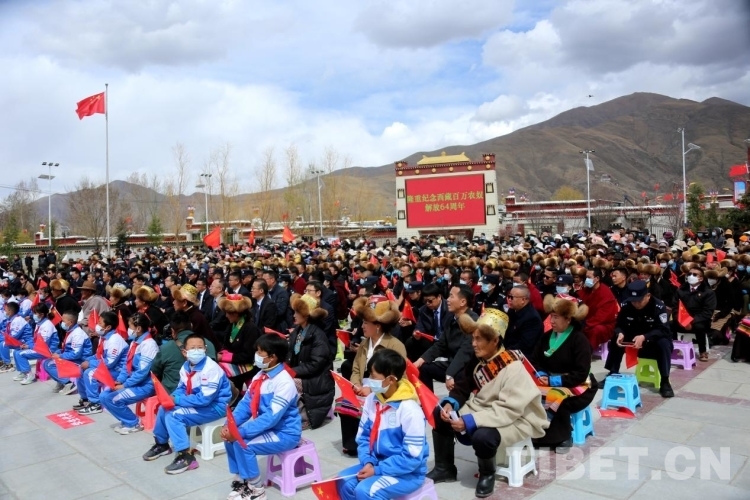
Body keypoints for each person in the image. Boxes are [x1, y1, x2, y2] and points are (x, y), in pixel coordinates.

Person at [429, 309, 548, 497]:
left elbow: (508, 410)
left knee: (483, 436)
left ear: (494, 340)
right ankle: (445, 468)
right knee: (439, 412)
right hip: (486, 410)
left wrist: (469, 421)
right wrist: (451, 404)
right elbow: (462, 387)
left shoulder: (513, 367)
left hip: (516, 418)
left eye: (479, 339)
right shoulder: (477, 360)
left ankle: (487, 475)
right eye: (473, 338)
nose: (473, 344)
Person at [336, 349, 428, 500]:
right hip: (376, 463)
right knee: (343, 482)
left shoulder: (410, 410)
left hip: (407, 473)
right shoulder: (372, 399)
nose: (369, 380)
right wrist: (368, 462)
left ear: (391, 380)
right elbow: (363, 438)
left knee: (366, 491)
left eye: (373, 376)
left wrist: (377, 470)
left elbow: (412, 458)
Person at [223, 334, 302, 500]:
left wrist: (239, 432)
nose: (256, 355)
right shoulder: (260, 375)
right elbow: (245, 404)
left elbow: (271, 418)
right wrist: (230, 425)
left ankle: (257, 489)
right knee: (230, 439)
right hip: (268, 428)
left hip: (284, 433)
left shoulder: (284, 382)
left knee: (244, 444)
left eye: (260, 352)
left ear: (273, 357)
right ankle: (242, 479)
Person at [142, 333, 232, 474]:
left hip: (215, 407)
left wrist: (178, 400)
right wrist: (172, 397)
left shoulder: (211, 369)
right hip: (199, 403)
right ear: (185, 352)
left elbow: (205, 399)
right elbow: (182, 388)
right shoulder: (186, 366)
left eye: (200, 347)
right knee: (164, 408)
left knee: (174, 415)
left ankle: (186, 456)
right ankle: (162, 444)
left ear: (205, 349)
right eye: (193, 348)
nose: (197, 350)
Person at [339, 295, 406, 457]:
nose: (362, 326)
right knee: (345, 402)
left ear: (377, 326)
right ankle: (352, 443)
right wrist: (356, 385)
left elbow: (398, 378)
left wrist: (371, 390)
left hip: (385, 391)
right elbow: (356, 369)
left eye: (365, 323)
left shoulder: (395, 345)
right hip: (364, 387)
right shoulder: (364, 343)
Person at [530, 297, 598, 452]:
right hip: (549, 379)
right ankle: (537, 432)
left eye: (556, 317)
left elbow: (581, 373)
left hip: (579, 383)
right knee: (530, 393)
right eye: (551, 316)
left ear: (568, 319)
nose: (552, 321)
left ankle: (564, 436)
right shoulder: (547, 337)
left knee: (558, 397)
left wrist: (553, 381)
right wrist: (541, 374)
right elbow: (535, 360)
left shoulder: (579, 340)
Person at [606, 280, 674, 397]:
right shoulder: (626, 305)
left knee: (664, 343)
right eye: (633, 301)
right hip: (632, 340)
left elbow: (663, 330)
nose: (636, 304)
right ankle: (613, 373)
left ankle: (665, 381)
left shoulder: (658, 307)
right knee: (615, 339)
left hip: (651, 342)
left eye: (639, 300)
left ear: (648, 296)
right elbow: (619, 324)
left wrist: (644, 337)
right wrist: (620, 333)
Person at [100, 313, 160, 433]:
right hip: (133, 383)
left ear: (138, 328)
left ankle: (134, 423)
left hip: (145, 386)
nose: (128, 329)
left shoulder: (149, 345)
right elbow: (126, 365)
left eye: (130, 326)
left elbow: (142, 373)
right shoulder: (134, 342)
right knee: (103, 396)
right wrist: (120, 380)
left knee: (113, 399)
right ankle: (126, 420)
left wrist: (125, 385)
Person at [414, 284, 478, 392]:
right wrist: (420, 360)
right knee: (424, 368)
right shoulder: (451, 318)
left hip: (467, 367)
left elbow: (465, 352)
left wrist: (450, 374)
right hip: (451, 363)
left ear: (462, 302)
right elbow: (441, 344)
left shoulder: (473, 321)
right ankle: (429, 401)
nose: (447, 300)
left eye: (451, 296)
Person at [286, 293, 334, 429]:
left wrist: (291, 372)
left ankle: (304, 417)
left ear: (306, 315)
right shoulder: (298, 331)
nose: (294, 315)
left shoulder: (318, 335)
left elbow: (315, 365)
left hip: (317, 379)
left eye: (297, 312)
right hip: (304, 375)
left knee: (287, 383)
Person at [75, 311, 129, 415]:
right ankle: (85, 399)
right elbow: (98, 355)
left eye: (100, 323)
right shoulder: (104, 337)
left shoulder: (115, 340)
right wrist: (87, 360)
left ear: (108, 327)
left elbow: (109, 363)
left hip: (117, 371)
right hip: (108, 368)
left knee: (90, 373)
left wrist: (90, 364)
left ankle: (95, 404)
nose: (97, 325)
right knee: (81, 368)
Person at [151, 312, 218, 394]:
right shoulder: (208, 344)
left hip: (171, 396)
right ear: (191, 326)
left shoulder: (165, 348)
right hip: (203, 395)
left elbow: (155, 372)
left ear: (172, 331)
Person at [216, 294, 261, 395]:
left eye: (228, 313)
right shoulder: (232, 325)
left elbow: (248, 356)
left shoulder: (251, 328)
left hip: (248, 365)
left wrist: (224, 358)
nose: (226, 316)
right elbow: (226, 345)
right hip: (235, 362)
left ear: (235, 314)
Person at [43, 311, 94, 394]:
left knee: (49, 364)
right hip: (74, 358)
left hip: (81, 361)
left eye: (63, 320)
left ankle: (69, 383)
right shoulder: (71, 331)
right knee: (46, 362)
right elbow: (67, 349)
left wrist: (60, 356)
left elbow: (76, 354)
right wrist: (58, 352)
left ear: (70, 322)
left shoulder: (77, 334)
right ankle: (61, 382)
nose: (61, 322)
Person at [672, 267, 716, 361]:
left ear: (701, 278)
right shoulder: (681, 290)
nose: (691, 276)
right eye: (689, 274)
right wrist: (682, 321)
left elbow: (707, 312)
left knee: (700, 327)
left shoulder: (708, 292)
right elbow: (675, 308)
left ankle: (702, 351)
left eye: (695, 274)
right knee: (667, 326)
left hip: (699, 320)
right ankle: (672, 349)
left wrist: (691, 322)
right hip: (682, 319)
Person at [13, 303, 59, 384]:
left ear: (41, 314)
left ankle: (29, 375)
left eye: (35, 313)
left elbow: (43, 343)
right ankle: (23, 372)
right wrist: (27, 344)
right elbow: (35, 339)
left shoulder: (47, 325)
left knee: (20, 354)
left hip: (46, 350)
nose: (33, 315)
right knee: (16, 351)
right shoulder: (39, 323)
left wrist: (29, 346)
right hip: (39, 348)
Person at [578, 267, 619, 349]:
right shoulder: (587, 289)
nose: (586, 279)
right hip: (586, 320)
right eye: (586, 277)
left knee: (596, 330)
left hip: (603, 323)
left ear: (597, 278)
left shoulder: (606, 293)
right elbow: (579, 300)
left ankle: (587, 351)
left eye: (589, 277)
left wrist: (586, 324)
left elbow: (603, 316)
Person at [504, 284, 543, 358]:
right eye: (508, 296)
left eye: (512, 297)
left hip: (522, 356)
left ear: (523, 300)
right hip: (509, 348)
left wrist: (505, 352)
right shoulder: (512, 310)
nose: (509, 299)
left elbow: (525, 345)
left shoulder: (532, 318)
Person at [0, 300, 34, 372]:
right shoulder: (12, 319)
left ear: (10, 311)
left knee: (3, 344)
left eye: (5, 310)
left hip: (25, 341)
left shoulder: (17, 320)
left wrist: (3, 337)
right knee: (3, 341)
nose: (4, 312)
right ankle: (4, 362)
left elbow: (14, 336)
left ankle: (8, 364)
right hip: (18, 340)